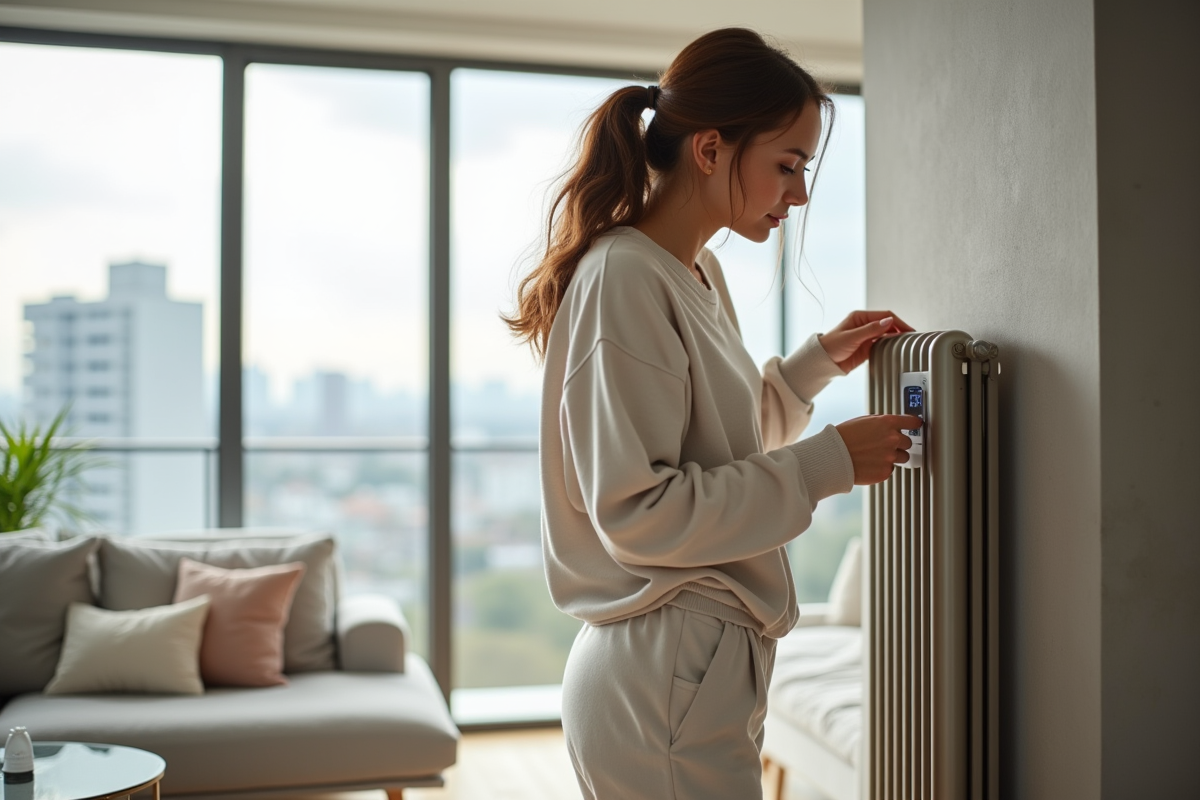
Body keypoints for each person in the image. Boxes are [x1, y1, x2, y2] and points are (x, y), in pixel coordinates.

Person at [506, 28, 922, 800]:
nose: (799, 194)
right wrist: (829, 463)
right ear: (709, 150)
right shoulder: (625, 278)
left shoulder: (696, 273)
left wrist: (815, 364)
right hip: (666, 666)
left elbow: (720, 450)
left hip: (690, 667)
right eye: (788, 165)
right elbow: (641, 513)